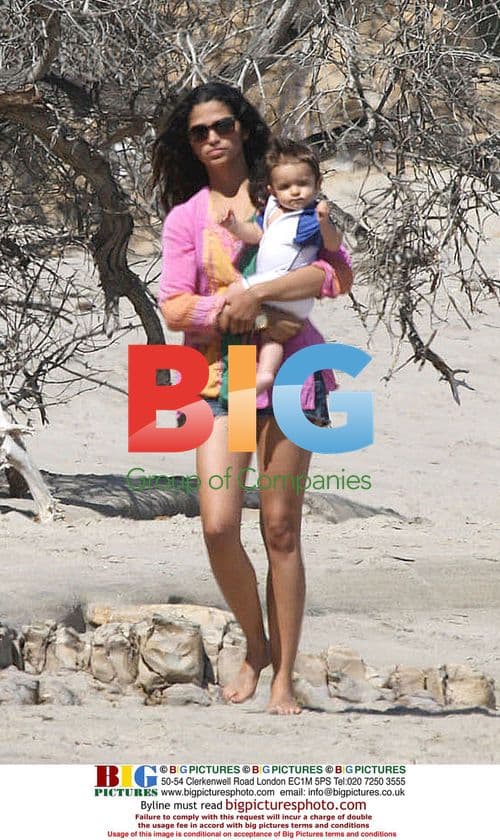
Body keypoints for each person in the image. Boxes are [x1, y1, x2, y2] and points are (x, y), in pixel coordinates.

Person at [152, 81, 352, 714]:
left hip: (294, 376)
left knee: (281, 529)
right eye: (198, 132)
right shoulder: (187, 217)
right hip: (222, 380)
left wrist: (261, 295)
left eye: (222, 126)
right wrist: (235, 307)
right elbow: (174, 305)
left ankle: (283, 677)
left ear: (242, 128)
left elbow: (334, 273)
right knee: (217, 525)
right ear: (187, 144)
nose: (212, 138)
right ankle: (257, 645)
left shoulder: (286, 189)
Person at [217, 136, 344, 395]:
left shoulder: (307, 218)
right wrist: (234, 227)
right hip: (272, 302)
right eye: (285, 186)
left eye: (303, 184)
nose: (295, 192)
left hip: (284, 286)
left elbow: (334, 251)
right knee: (271, 336)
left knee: (231, 296)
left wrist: (324, 223)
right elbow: (257, 233)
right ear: (272, 190)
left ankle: (256, 370)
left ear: (317, 184)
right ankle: (264, 374)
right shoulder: (273, 210)